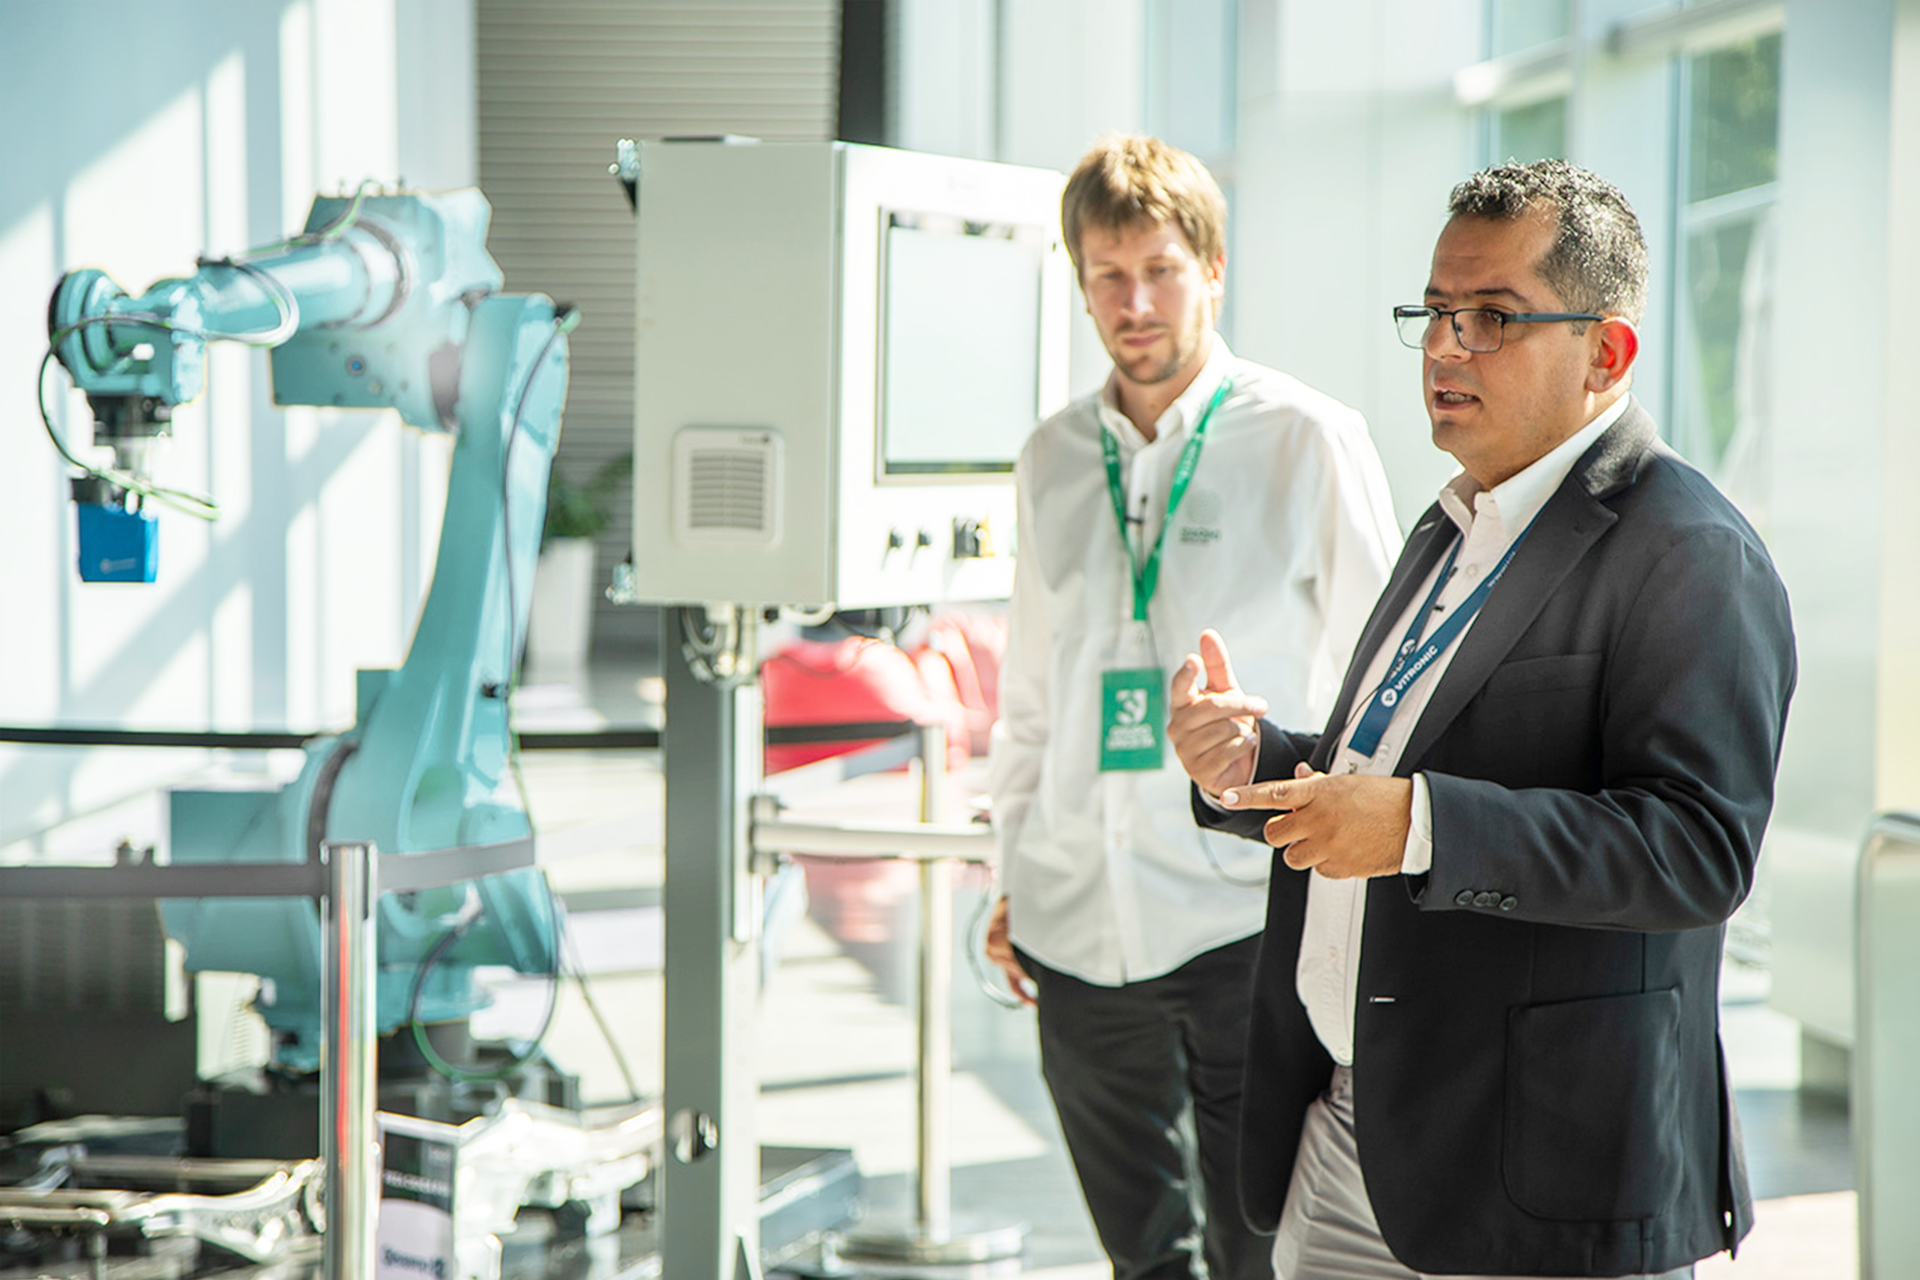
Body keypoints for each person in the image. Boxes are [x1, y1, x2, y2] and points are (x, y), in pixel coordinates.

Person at [1167, 159, 1796, 1279]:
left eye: (1493, 318)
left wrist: (1419, 826)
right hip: (1353, 1129)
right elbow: (1420, 760)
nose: (1445, 348)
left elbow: (1697, 851)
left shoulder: (1688, 551)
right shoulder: (1459, 519)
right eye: (1436, 312)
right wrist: (1255, 763)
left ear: (1606, 352)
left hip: (1535, 1172)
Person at [985, 133, 1400, 1280]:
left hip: (1243, 921)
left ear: (1213, 266)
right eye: (1107, 275)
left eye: (1161, 268)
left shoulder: (1307, 437)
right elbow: (1027, 697)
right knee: (1141, 1257)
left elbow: (1392, 687)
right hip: (1073, 924)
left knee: (1260, 1244)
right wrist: (1009, 871)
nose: (1136, 301)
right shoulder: (1051, 457)